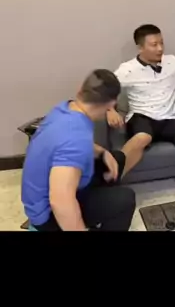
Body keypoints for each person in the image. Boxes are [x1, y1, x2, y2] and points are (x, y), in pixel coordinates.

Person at [106, 24, 175, 206]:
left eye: (161, 43)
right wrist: (110, 110)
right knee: (143, 137)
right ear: (140, 47)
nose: (160, 48)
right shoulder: (127, 69)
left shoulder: (172, 62)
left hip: (168, 118)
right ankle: (112, 181)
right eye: (154, 44)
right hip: (141, 116)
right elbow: (103, 91)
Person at [21, 70, 136, 232]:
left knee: (116, 158)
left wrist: (103, 153)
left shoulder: (65, 109)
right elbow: (60, 201)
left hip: (47, 192)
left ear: (81, 89)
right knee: (126, 200)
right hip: (48, 216)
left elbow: (65, 143)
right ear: (111, 105)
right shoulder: (75, 139)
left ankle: (100, 210)